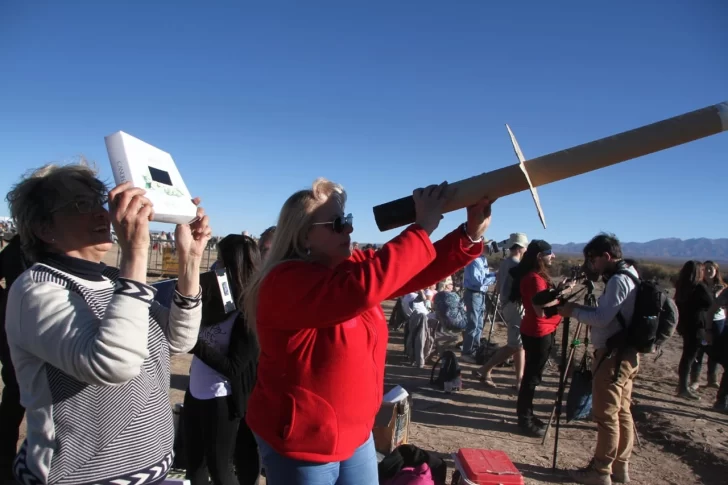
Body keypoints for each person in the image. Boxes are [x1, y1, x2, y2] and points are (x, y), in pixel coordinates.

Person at [243, 179, 495, 485]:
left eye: (347, 220)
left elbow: (409, 270)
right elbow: (363, 288)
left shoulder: (344, 266)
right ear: (303, 234)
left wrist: (468, 235)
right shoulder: (284, 282)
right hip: (304, 443)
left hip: (356, 433)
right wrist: (422, 226)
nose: (348, 230)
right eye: (337, 223)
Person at [4, 163, 211, 485]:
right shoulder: (38, 289)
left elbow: (178, 340)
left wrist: (191, 260)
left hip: (150, 468)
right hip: (80, 476)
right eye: (81, 205)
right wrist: (137, 251)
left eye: (99, 202)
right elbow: (114, 365)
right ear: (44, 228)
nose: (103, 214)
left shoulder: (114, 279)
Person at [558, 234, 640, 485]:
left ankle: (601, 471)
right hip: (626, 354)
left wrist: (574, 311)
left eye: (593, 259)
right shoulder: (632, 273)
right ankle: (619, 467)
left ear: (606, 255)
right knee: (623, 413)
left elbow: (603, 318)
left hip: (613, 357)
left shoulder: (618, 280)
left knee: (606, 416)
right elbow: (610, 314)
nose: (592, 265)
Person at [184, 235, 261, 485]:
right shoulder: (215, 299)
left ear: (234, 265)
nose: (215, 266)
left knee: (220, 468)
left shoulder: (250, 312)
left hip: (221, 399)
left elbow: (234, 367)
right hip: (195, 390)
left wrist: (193, 344)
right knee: (193, 463)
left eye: (220, 260)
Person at [509, 240, 560, 437]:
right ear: (540, 256)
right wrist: (561, 299)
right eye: (550, 253)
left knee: (532, 376)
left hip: (538, 330)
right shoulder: (534, 279)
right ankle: (525, 419)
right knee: (531, 377)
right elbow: (540, 310)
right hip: (539, 331)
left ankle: (528, 415)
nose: (553, 256)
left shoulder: (535, 277)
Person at [474, 232, 529, 388]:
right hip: (514, 305)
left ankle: (519, 380)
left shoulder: (505, 263)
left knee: (519, 344)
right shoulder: (516, 265)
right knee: (515, 344)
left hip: (506, 304)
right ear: (520, 247)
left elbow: (498, 286)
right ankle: (485, 369)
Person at [0, 235, 30, 482]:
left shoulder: (19, 243)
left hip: (16, 319)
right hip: (18, 323)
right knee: (16, 391)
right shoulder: (25, 244)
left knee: (14, 393)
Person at [674, 260, 714, 401]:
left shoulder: (682, 286)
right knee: (690, 357)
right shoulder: (700, 287)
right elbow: (711, 302)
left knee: (687, 356)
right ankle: (683, 388)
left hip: (685, 325)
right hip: (697, 327)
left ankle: (682, 385)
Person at [690, 261, 726, 389]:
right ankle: (695, 380)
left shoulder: (723, 287)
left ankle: (712, 378)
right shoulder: (698, 287)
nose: (708, 271)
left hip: (718, 321)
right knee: (698, 350)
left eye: (711, 269)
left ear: (716, 271)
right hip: (702, 321)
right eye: (706, 269)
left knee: (715, 351)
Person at [460, 243, 497, 363]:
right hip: (473, 293)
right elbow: (478, 281)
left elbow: (485, 276)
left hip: (480, 294)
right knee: (473, 323)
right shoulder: (474, 260)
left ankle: (474, 349)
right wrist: (494, 277)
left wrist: (495, 274)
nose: (490, 249)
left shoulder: (482, 259)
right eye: (487, 247)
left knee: (479, 324)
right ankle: (467, 352)